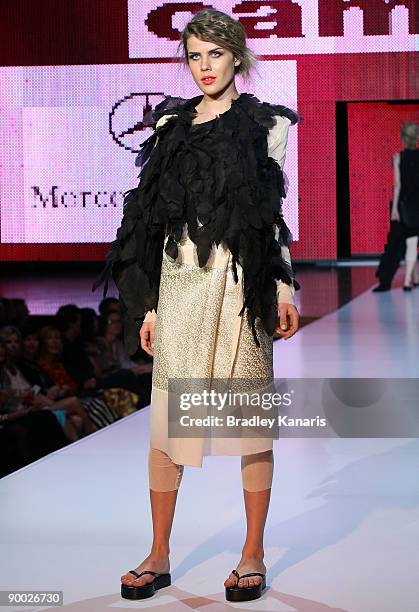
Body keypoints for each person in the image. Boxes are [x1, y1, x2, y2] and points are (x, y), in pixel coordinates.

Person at [93, 8, 300, 603]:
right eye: (194, 56)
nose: (204, 66)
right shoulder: (170, 128)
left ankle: (253, 553)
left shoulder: (268, 127)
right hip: (180, 285)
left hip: (239, 289)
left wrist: (281, 289)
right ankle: (158, 555)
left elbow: (270, 220)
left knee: (249, 422)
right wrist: (148, 307)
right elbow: (155, 222)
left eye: (214, 53)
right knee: (166, 424)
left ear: (237, 55)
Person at [373, 122, 419, 292]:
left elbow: (398, 185)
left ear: (403, 138)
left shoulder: (398, 158)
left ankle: (407, 281)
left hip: (405, 205)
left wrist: (394, 210)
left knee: (405, 242)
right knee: (412, 242)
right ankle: (412, 279)